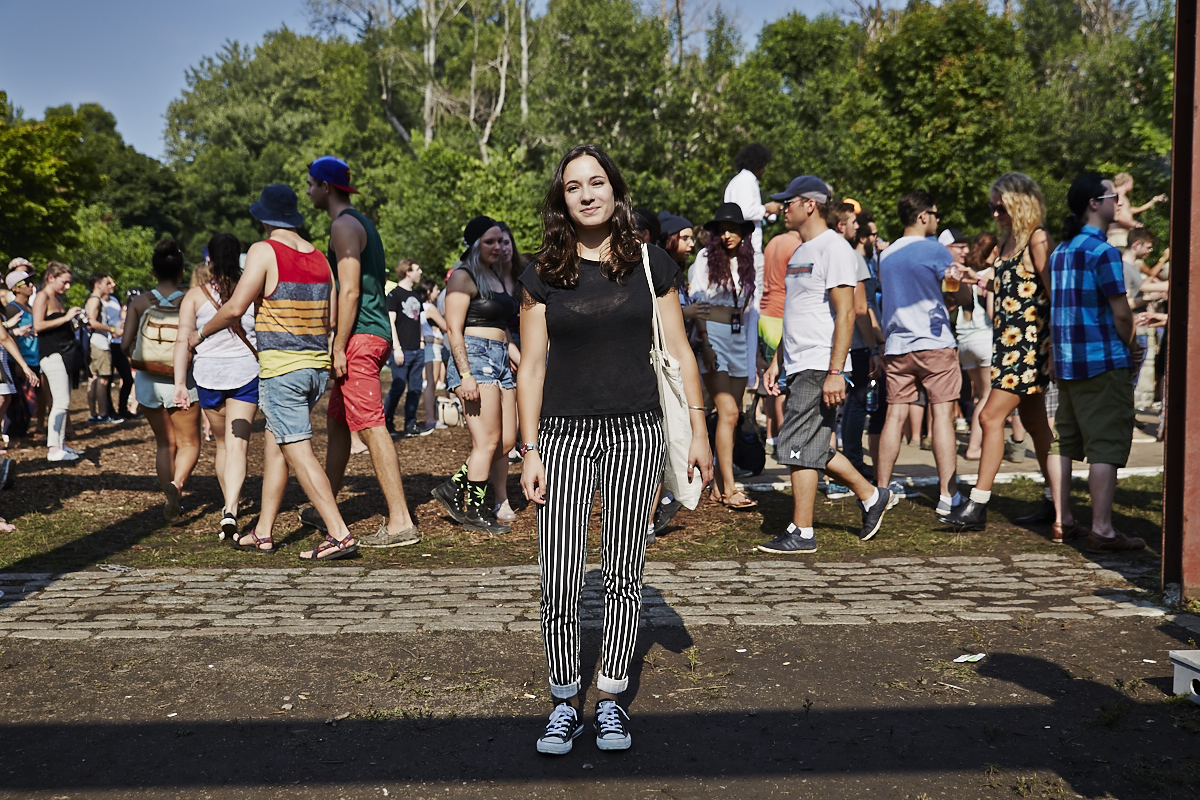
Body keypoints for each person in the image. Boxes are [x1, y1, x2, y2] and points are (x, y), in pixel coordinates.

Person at [517, 143, 712, 755]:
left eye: (596, 181)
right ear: (562, 200)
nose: (587, 193)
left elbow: (680, 353)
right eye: (574, 186)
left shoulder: (651, 264)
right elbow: (531, 369)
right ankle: (562, 700)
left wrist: (700, 432)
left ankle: (610, 700)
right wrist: (527, 449)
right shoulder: (541, 272)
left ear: (614, 189)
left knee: (625, 572)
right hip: (561, 435)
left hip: (638, 430)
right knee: (561, 573)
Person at [191, 184, 356, 558]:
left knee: (298, 451)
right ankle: (263, 530)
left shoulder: (264, 252)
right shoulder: (319, 256)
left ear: (264, 218)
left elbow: (234, 308)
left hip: (282, 369)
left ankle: (339, 532)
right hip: (314, 367)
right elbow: (330, 314)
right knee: (277, 448)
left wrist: (198, 335)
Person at [758, 176, 892, 554]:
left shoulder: (834, 247)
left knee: (797, 442)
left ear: (810, 205)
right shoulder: (801, 251)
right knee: (811, 443)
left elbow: (847, 311)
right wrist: (776, 360)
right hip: (799, 362)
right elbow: (796, 313)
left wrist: (836, 371)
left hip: (821, 363)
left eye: (789, 202)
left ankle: (802, 531)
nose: (783, 208)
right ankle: (871, 495)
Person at [306, 156, 420, 548]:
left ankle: (401, 522)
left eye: (310, 184)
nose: (307, 192)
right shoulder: (360, 221)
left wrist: (338, 345)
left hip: (360, 337)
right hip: (367, 334)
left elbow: (351, 289)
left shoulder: (342, 226)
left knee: (371, 425)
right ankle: (325, 507)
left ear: (325, 187)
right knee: (339, 421)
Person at [946, 174, 1069, 537]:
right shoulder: (1009, 240)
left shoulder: (1037, 238)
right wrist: (978, 278)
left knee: (989, 416)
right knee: (1035, 426)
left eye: (1000, 205)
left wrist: (1057, 350)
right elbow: (1014, 288)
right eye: (992, 206)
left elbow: (1053, 293)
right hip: (1009, 345)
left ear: (1020, 202)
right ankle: (1055, 500)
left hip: (1030, 348)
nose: (995, 212)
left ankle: (978, 504)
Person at [1049, 175, 1144, 553]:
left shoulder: (1061, 251)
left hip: (1068, 364)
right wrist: (1134, 346)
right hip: (1102, 362)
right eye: (1113, 196)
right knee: (1105, 444)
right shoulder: (1103, 253)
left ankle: (1062, 520)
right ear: (1094, 203)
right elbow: (1121, 314)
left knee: (1064, 442)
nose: (1118, 202)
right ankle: (1102, 529)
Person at [874, 192, 968, 519]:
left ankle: (880, 491)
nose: (938, 220)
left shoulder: (886, 255)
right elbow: (959, 289)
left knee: (894, 416)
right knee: (942, 416)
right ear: (923, 216)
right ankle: (947, 495)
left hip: (898, 344)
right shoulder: (934, 249)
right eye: (936, 214)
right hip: (934, 341)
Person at [433, 217, 520, 532]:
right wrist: (465, 373)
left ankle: (454, 486)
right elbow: (454, 331)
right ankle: (477, 511)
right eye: (490, 242)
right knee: (486, 441)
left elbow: (501, 328)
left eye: (500, 241)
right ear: (473, 244)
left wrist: (516, 356)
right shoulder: (462, 277)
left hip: (500, 357)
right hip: (475, 357)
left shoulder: (493, 276)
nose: (497, 247)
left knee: (507, 439)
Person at [173, 233, 259, 540]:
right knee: (238, 445)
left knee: (223, 444)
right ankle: (230, 510)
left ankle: (228, 505)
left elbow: (183, 341)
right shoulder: (252, 292)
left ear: (209, 259)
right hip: (247, 373)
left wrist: (180, 384)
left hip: (209, 376)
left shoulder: (194, 296)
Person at [122, 240, 201, 520]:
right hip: (183, 379)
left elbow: (124, 344)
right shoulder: (191, 299)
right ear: (181, 272)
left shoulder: (140, 302)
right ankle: (177, 485)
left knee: (165, 443)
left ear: (153, 272)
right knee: (189, 442)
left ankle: (172, 500)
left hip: (148, 380)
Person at [688, 202, 757, 509]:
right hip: (713, 333)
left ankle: (717, 486)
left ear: (743, 232)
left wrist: (759, 357)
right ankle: (730, 489)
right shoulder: (705, 258)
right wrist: (705, 344)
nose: (727, 235)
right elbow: (699, 306)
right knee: (727, 413)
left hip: (739, 336)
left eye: (733, 229)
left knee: (731, 417)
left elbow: (751, 310)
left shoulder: (751, 262)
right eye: (722, 230)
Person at [828, 202, 880, 483]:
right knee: (858, 404)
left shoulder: (825, 251)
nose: (857, 227)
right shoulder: (849, 255)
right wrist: (874, 347)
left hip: (839, 343)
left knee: (848, 407)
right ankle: (853, 462)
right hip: (856, 344)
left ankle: (848, 460)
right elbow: (860, 309)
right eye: (853, 222)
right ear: (841, 225)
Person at [725, 144, 781, 386]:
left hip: (739, 251)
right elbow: (745, 211)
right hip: (749, 251)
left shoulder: (734, 182)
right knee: (752, 310)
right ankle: (748, 375)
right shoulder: (748, 180)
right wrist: (766, 209)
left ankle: (743, 371)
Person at [33, 262, 85, 463]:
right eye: (65, 282)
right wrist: (66, 318)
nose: (67, 287)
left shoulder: (57, 298)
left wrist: (74, 321)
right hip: (51, 354)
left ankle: (60, 444)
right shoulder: (42, 296)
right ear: (51, 278)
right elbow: (38, 325)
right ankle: (54, 448)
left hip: (64, 354)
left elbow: (58, 325)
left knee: (64, 402)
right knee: (60, 401)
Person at [957, 232, 999, 461]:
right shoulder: (992, 275)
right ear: (994, 250)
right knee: (987, 396)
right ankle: (975, 447)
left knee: (980, 394)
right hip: (983, 338)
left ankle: (979, 440)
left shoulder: (965, 275)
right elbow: (993, 313)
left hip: (963, 340)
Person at [385, 259, 430, 438]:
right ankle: (387, 422)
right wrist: (396, 348)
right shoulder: (394, 295)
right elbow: (391, 323)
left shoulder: (417, 295)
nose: (420, 272)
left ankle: (410, 425)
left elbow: (417, 320)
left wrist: (421, 342)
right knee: (398, 387)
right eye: (417, 269)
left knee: (415, 388)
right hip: (401, 350)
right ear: (407, 272)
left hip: (417, 349)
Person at [3, 270, 42, 439]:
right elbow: (5, 334)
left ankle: (22, 434)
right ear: (16, 288)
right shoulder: (12, 309)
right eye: (27, 283)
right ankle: (11, 436)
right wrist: (20, 364)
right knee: (16, 402)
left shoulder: (32, 308)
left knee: (30, 402)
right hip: (18, 361)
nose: (31, 286)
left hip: (34, 359)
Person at [84, 273, 119, 423]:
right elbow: (92, 322)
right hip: (99, 343)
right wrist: (112, 329)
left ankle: (94, 414)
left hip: (96, 343)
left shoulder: (94, 300)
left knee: (94, 378)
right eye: (107, 282)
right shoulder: (95, 300)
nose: (111, 285)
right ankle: (103, 414)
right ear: (98, 285)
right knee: (102, 379)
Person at [1106, 172, 1166, 252]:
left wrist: (1154, 200)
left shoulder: (1122, 197)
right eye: (1132, 183)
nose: (1132, 186)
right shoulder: (1118, 195)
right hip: (1118, 237)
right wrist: (1134, 224)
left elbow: (1136, 209)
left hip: (1121, 236)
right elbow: (1116, 216)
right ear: (1126, 183)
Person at [419, 278, 449, 431]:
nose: (439, 292)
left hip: (428, 346)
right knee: (432, 383)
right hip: (433, 347)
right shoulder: (431, 307)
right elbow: (445, 326)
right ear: (429, 291)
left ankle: (430, 417)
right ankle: (430, 418)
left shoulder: (421, 306)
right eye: (436, 289)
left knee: (430, 383)